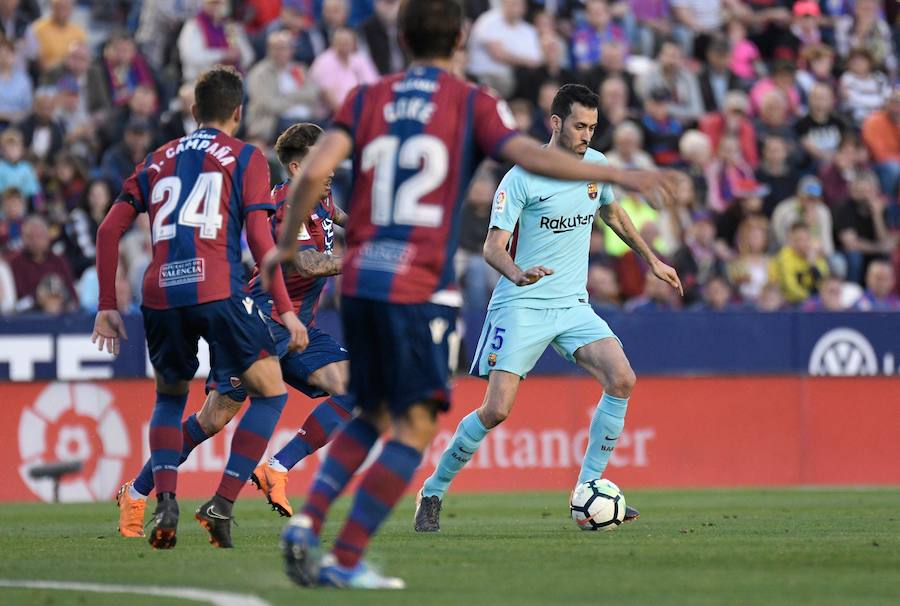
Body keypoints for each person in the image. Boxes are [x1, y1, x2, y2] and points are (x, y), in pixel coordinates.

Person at [268, 0, 678, 590]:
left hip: (361, 275)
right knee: (427, 423)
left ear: (401, 37)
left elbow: (310, 174)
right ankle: (362, 542)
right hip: (425, 281)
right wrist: (622, 175)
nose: (588, 139)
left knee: (374, 407)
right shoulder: (470, 103)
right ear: (460, 40)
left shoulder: (364, 98)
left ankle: (311, 528)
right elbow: (526, 160)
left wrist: (285, 245)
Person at [419, 83, 682, 531]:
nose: (587, 136)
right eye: (580, 126)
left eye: (594, 127)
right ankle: (433, 492)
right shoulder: (521, 176)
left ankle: (588, 490)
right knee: (496, 410)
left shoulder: (596, 166)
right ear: (556, 123)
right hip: (521, 302)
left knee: (621, 378)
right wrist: (517, 273)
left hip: (571, 303)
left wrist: (651, 259)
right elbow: (492, 247)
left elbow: (612, 214)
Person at [91, 66, 307, 551]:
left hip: (160, 293)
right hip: (217, 289)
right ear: (238, 112)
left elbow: (107, 231)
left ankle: (163, 499)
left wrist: (107, 304)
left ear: (193, 112)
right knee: (270, 394)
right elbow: (259, 238)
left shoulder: (156, 158)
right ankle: (222, 502)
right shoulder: (246, 157)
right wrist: (288, 310)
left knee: (170, 398)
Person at [115, 123, 356, 537]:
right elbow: (307, 263)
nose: (332, 168)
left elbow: (333, 217)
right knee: (213, 419)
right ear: (297, 168)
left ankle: (276, 468)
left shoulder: (322, 193)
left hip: (299, 327)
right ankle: (136, 493)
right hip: (258, 322)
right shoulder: (285, 207)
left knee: (357, 386)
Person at [769, 222, 829, 304]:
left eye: (807, 239)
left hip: (815, 300)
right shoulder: (785, 256)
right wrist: (810, 299)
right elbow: (790, 288)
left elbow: (824, 284)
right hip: (791, 302)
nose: (804, 243)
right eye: (800, 240)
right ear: (792, 241)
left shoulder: (815, 255)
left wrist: (813, 266)